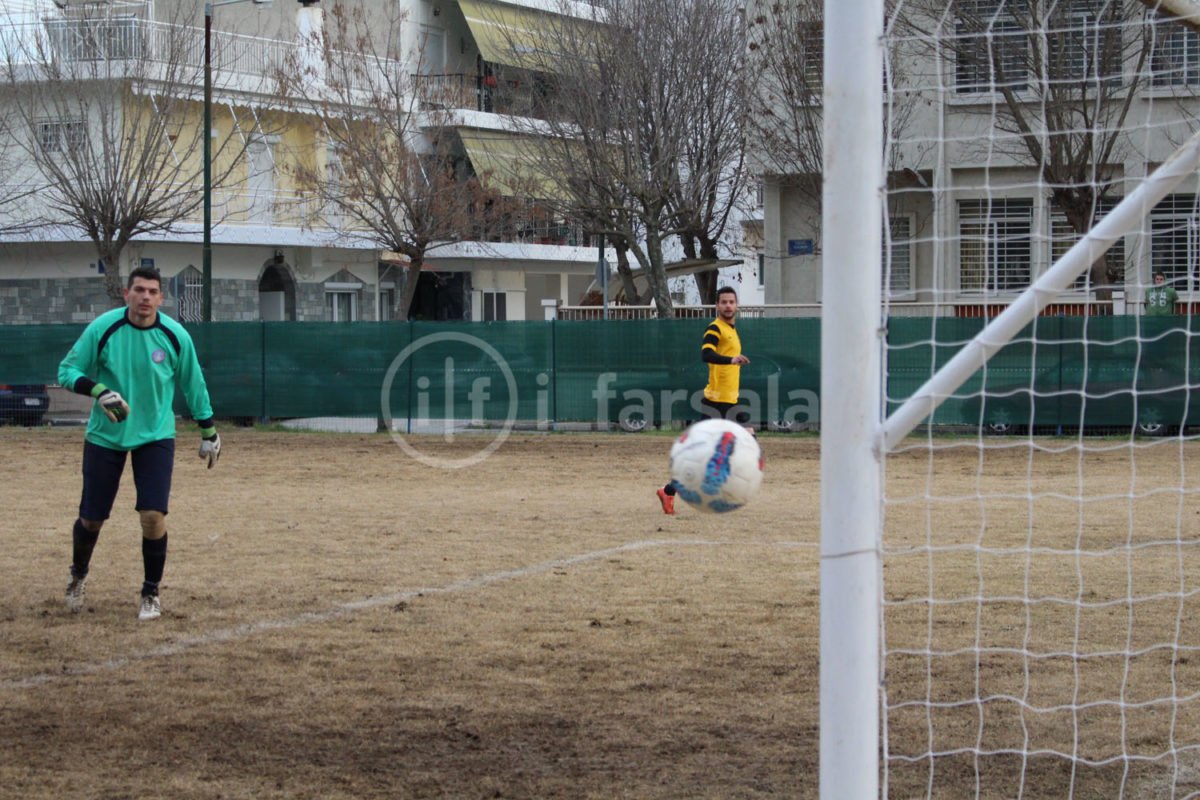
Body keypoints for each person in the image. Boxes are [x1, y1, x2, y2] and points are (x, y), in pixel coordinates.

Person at [58, 265, 221, 620]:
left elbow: (194, 385)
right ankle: (78, 575)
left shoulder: (175, 336)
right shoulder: (103, 329)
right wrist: (99, 391)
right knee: (91, 520)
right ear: (127, 294)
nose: (145, 297)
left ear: (161, 298)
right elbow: (67, 372)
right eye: (139, 290)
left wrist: (209, 430)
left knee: (152, 516)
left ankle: (150, 593)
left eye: (152, 291)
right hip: (105, 436)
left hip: (156, 436)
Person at [657, 286, 750, 515]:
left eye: (732, 302)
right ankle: (670, 490)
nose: (728, 305)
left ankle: (718, 485)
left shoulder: (732, 330)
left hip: (730, 399)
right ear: (717, 306)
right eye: (724, 302)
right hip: (715, 400)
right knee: (701, 454)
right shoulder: (714, 328)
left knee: (749, 441)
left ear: (736, 306)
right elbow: (706, 354)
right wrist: (731, 360)